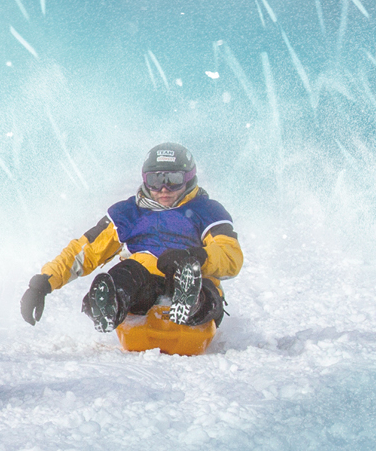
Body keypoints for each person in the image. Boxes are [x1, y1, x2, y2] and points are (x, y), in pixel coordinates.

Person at [18, 142, 242, 331]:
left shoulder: (208, 211)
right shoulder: (128, 213)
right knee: (126, 274)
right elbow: (86, 251)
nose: (163, 188)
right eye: (155, 180)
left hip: (188, 273)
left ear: (189, 179)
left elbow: (229, 255)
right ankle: (111, 303)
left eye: (172, 179)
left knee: (197, 280)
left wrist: (196, 257)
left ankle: (192, 302)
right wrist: (43, 283)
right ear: (145, 180)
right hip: (145, 281)